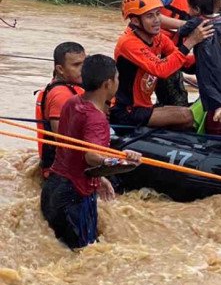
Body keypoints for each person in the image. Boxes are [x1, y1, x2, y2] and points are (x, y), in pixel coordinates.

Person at [41, 55, 142, 249]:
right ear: (108, 84)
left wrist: (100, 179)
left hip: (53, 187)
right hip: (73, 197)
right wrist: (125, 161)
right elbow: (92, 157)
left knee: (63, 254)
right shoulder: (97, 119)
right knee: (85, 255)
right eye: (117, 79)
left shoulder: (73, 102)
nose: (118, 83)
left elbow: (73, 152)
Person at [112, 0, 212, 128]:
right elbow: (161, 69)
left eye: (158, 14)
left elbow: (183, 62)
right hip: (127, 111)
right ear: (135, 20)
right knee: (186, 116)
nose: (157, 20)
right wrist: (190, 42)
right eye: (149, 16)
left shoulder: (158, 38)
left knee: (188, 111)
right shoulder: (128, 43)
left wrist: (216, 62)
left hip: (144, 107)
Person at [178, 0, 221, 123]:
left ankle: (218, 108)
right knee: (220, 82)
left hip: (205, 59)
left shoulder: (196, 21)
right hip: (220, 58)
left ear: (196, 9)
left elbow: (181, 31)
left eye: (189, 7)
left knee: (206, 84)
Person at [36, 42, 86, 174]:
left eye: (84, 63)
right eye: (76, 65)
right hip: (60, 172)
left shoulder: (69, 86)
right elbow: (64, 141)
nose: (82, 69)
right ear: (60, 69)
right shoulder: (61, 95)